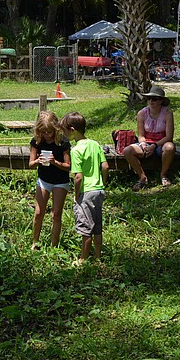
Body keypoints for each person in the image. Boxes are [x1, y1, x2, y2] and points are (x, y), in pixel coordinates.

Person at [60, 111, 109, 265]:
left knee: (85, 228)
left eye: (65, 131)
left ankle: (83, 259)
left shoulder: (76, 150)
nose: (64, 134)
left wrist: (76, 195)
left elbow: (78, 177)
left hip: (85, 192)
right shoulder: (95, 144)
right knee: (97, 226)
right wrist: (102, 183)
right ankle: (98, 256)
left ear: (72, 130)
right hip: (98, 190)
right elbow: (105, 166)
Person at [28, 111, 71, 250]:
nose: (46, 135)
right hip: (44, 180)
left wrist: (55, 162)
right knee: (39, 212)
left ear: (56, 129)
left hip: (60, 180)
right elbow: (30, 164)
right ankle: (35, 242)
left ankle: (54, 246)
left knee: (56, 213)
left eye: (49, 132)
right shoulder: (37, 141)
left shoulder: (63, 142)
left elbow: (68, 167)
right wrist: (38, 161)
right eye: (43, 132)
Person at [124, 85, 176, 190]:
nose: (151, 101)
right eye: (149, 98)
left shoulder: (167, 113)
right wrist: (143, 145)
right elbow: (141, 135)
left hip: (161, 143)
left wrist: (154, 145)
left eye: (155, 99)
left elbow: (169, 136)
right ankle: (142, 177)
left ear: (161, 101)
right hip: (146, 143)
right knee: (127, 151)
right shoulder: (142, 113)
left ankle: (163, 175)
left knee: (170, 147)